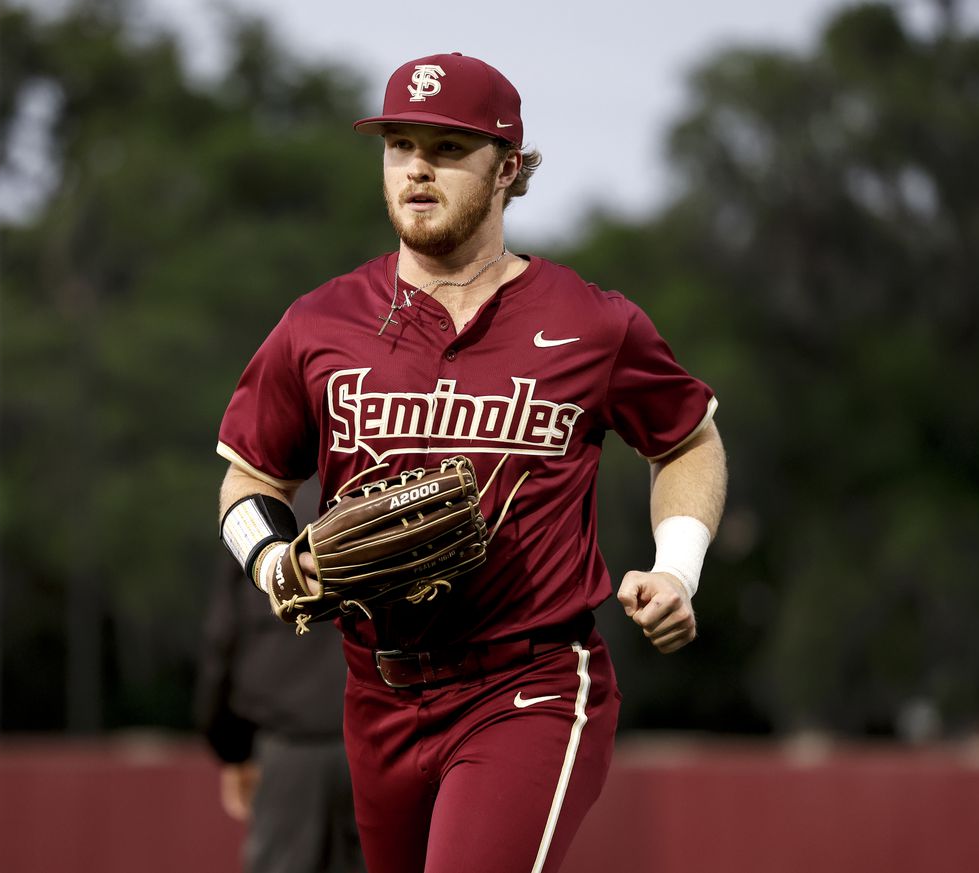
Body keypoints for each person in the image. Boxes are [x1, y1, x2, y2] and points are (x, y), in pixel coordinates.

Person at [213, 52, 727, 873]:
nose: (418, 168)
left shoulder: (591, 323)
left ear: (508, 169)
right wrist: (273, 560)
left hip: (528, 683)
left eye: (448, 149)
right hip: (376, 690)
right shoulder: (319, 323)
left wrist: (678, 567)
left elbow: (688, 439)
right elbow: (250, 477)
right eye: (399, 146)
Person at [195, 483, 365, 873]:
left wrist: (231, 748)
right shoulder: (385, 478)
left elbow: (223, 640)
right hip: (381, 739)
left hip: (288, 750)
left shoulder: (256, 510)